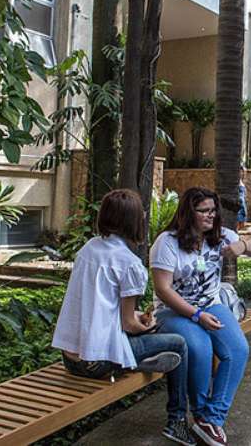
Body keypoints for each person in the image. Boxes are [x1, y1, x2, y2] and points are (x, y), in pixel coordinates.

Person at [52, 189, 197, 446]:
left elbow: (99, 306)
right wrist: (146, 325)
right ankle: (177, 421)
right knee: (178, 343)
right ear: (134, 221)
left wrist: (136, 318)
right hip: (97, 363)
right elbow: (127, 323)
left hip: (70, 358)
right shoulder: (129, 263)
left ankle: (136, 359)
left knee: (149, 332)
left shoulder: (88, 249)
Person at [150, 187, 251, 446]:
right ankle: (201, 414)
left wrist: (241, 246)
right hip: (173, 311)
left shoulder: (221, 237)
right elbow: (162, 289)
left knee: (238, 349)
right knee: (200, 346)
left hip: (211, 304)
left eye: (213, 210)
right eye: (204, 211)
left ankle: (210, 418)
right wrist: (196, 315)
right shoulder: (167, 242)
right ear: (190, 213)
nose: (211, 216)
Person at [237, 166, 248, 231]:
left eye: (243, 171)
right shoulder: (236, 181)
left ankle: (236, 233)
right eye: (240, 171)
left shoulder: (242, 181)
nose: (241, 173)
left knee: (243, 222)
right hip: (239, 203)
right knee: (238, 221)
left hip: (243, 203)